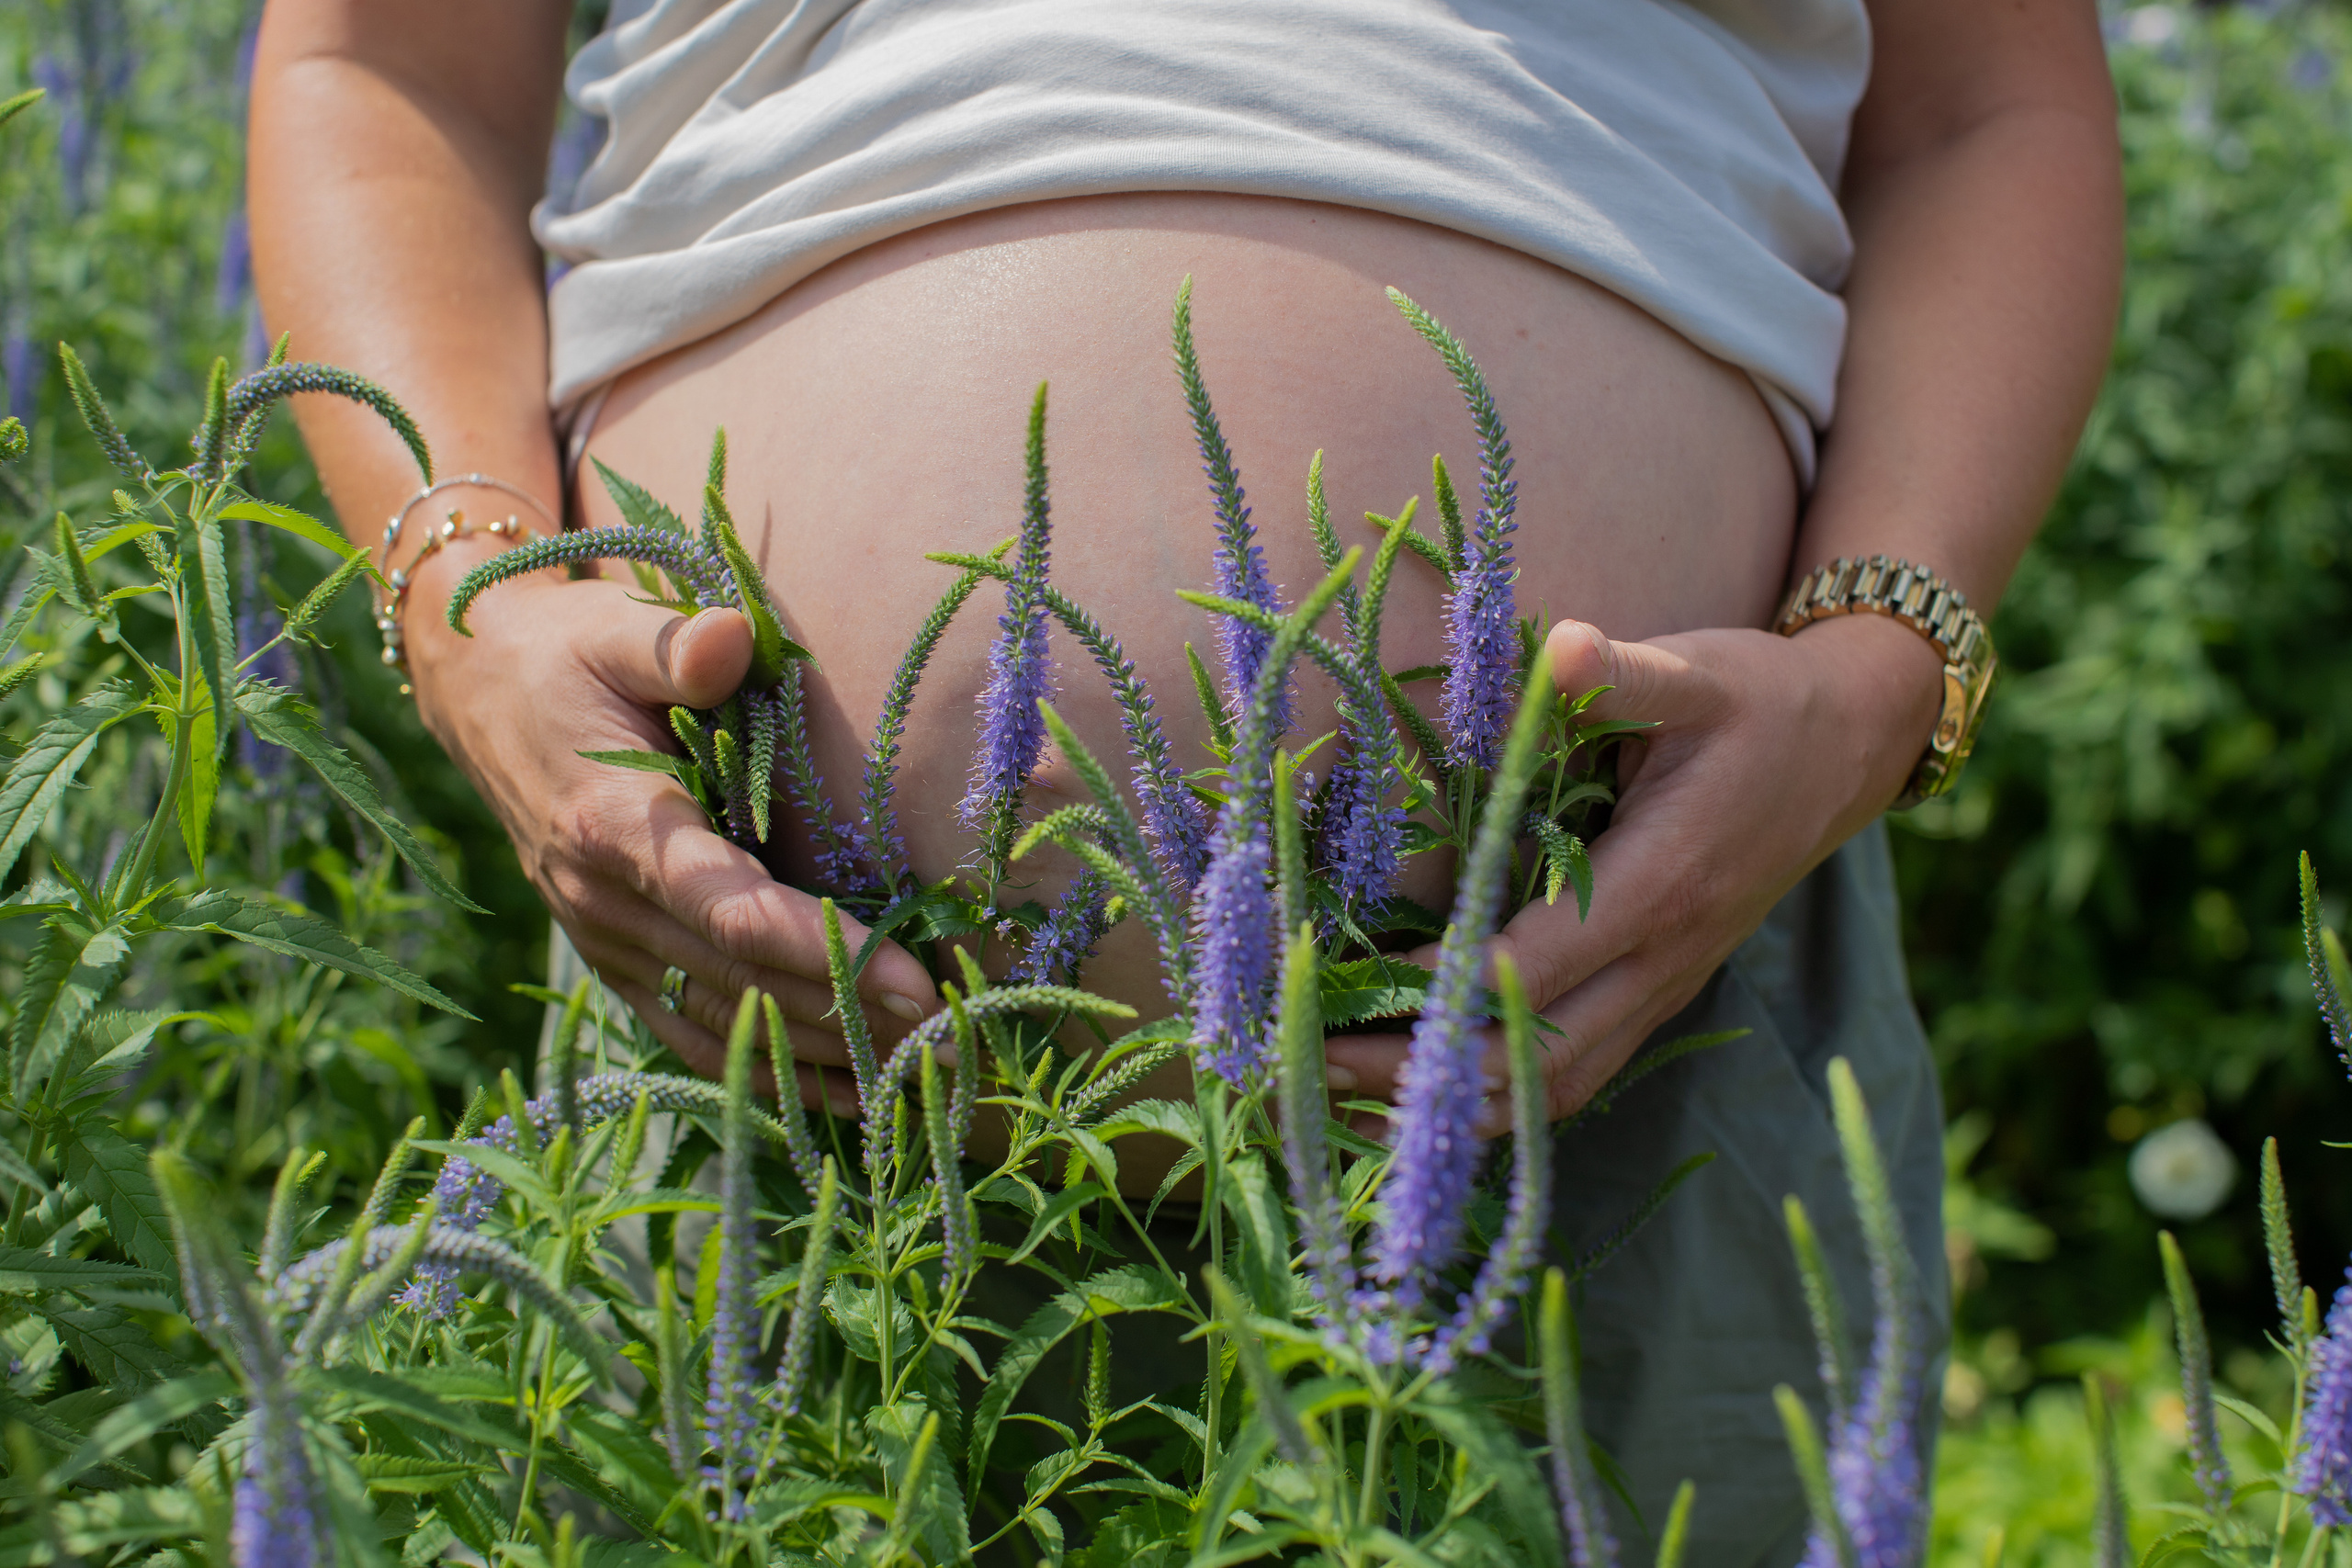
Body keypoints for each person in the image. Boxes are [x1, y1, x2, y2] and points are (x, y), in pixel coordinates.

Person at [247, 0, 2121, 1555]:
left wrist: (1880, 670)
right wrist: (466, 610)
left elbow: (1988, 109)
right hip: (752, 1044)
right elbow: (379, 65)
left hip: (1615, 1052)